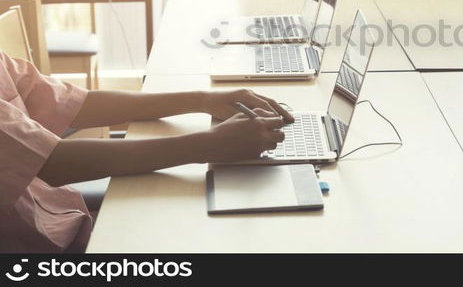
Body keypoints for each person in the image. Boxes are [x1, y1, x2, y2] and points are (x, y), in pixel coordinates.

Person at [0, 50, 293, 253]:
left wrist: (204, 99)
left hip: (68, 223)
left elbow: (77, 103)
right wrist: (208, 144)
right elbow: (55, 163)